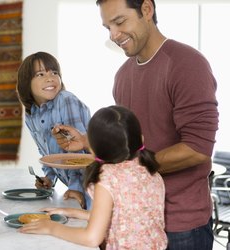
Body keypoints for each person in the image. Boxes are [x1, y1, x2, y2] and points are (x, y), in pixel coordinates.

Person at [52, 0, 219, 249]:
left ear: (147, 10)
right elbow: (128, 139)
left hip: (180, 225)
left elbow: (197, 149)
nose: (114, 35)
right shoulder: (122, 76)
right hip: (129, 222)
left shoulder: (186, 64)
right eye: (107, 27)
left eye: (119, 22)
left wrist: (128, 171)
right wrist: (88, 141)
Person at [19, 105, 167, 249]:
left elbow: (92, 238)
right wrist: (74, 213)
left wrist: (52, 228)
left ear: (94, 151)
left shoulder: (108, 178)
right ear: (141, 140)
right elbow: (128, 218)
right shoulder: (152, 172)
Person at [16, 51, 92, 209]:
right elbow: (47, 154)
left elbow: (78, 155)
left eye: (54, 72)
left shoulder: (66, 100)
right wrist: (49, 178)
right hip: (76, 189)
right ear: (26, 82)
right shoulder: (31, 115)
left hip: (92, 188)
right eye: (40, 74)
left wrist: (75, 188)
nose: (50, 78)